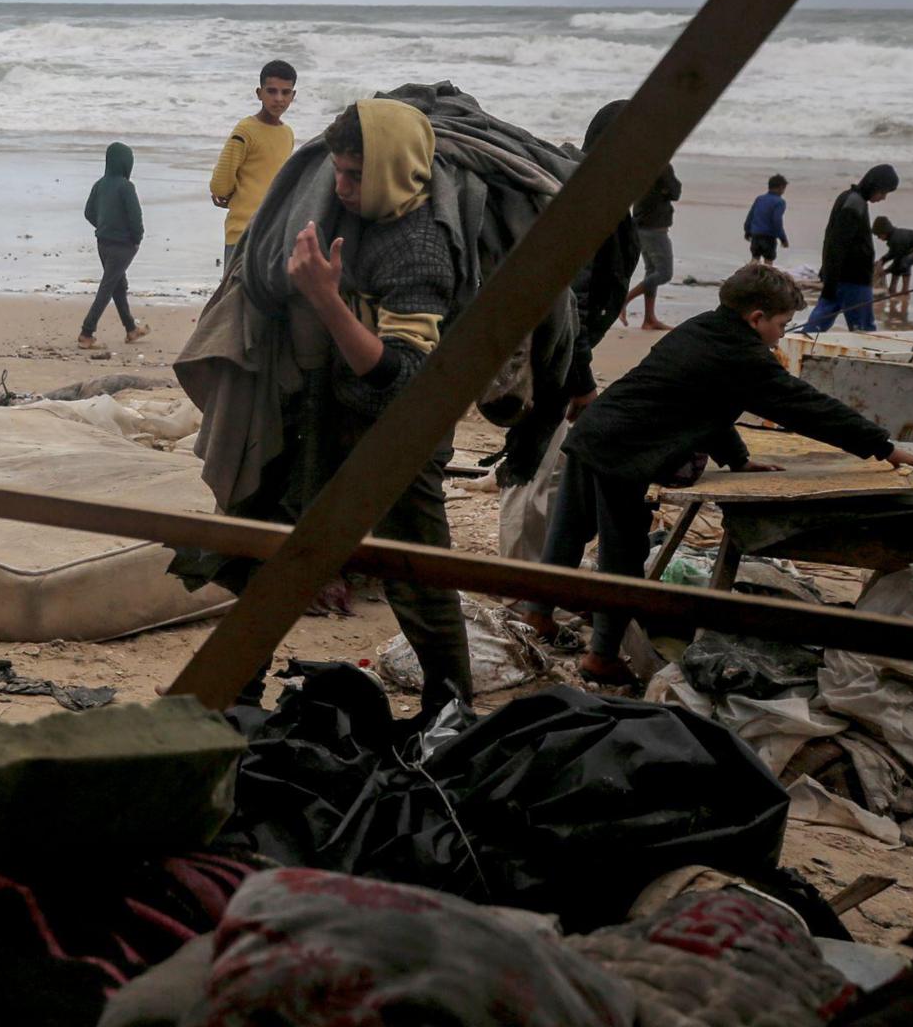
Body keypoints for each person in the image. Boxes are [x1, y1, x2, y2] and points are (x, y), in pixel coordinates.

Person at [550, 264, 913, 683]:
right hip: (623, 451)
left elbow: (709, 406)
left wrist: (737, 460)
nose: (784, 333)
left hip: (594, 430)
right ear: (756, 319)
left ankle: (536, 613)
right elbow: (807, 408)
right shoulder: (743, 357)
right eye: (783, 324)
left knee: (568, 530)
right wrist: (883, 447)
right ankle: (601, 657)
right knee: (622, 555)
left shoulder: (702, 329)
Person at [280, 98, 473, 710]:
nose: (340, 188)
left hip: (402, 437)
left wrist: (325, 299)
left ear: (392, 169)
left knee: (417, 577)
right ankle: (238, 683)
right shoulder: (359, 215)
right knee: (283, 538)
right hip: (341, 412)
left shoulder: (418, 246)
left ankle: (452, 709)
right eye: (337, 172)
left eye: (355, 174)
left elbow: (406, 379)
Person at [505, 100, 641, 636]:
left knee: (546, 474)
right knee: (529, 472)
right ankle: (518, 592)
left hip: (559, 356)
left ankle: (535, 586)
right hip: (549, 359)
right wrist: (582, 381)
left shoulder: (602, 193)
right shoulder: (585, 199)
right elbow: (571, 301)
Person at [209, 61, 297, 278]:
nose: (279, 98)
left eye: (285, 92)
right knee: (233, 301)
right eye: (272, 91)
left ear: (293, 96)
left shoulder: (288, 134)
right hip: (243, 234)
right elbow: (220, 183)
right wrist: (225, 194)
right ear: (259, 93)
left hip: (273, 233)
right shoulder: (245, 131)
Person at [800, 164, 898, 333]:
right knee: (863, 330)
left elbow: (831, 238)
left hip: (840, 277)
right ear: (874, 185)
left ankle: (790, 347)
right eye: (883, 192)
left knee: (817, 326)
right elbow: (838, 242)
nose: (883, 198)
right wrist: (830, 277)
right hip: (853, 280)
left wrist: (829, 273)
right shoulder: (855, 203)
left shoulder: (850, 198)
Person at [79, 141, 147, 348]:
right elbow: (136, 217)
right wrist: (137, 238)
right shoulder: (126, 187)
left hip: (103, 243)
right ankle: (86, 333)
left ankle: (131, 329)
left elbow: (88, 212)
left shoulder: (99, 184)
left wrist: (103, 226)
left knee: (118, 285)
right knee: (108, 287)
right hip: (123, 245)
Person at [620, 159, 682, 329]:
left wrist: (665, 190)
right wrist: (666, 190)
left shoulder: (642, 166)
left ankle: (649, 319)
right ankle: (625, 300)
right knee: (664, 273)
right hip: (655, 227)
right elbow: (676, 192)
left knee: (652, 272)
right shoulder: (662, 166)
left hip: (640, 224)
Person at [743, 174, 790, 263]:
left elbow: (750, 216)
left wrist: (747, 231)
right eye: (784, 189)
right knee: (768, 262)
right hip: (769, 236)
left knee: (755, 259)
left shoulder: (759, 199)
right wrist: (783, 239)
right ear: (780, 187)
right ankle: (765, 276)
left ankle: (751, 276)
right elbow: (777, 221)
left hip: (756, 235)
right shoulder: (780, 202)